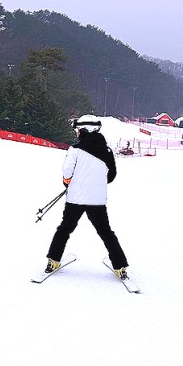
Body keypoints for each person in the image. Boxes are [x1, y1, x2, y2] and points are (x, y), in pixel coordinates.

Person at [44, 114, 131, 279]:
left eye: (78, 130)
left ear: (84, 130)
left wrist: (68, 183)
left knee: (64, 229)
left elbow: (66, 173)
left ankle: (53, 260)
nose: (77, 132)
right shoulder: (107, 151)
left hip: (75, 199)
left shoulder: (75, 150)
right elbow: (110, 177)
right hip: (97, 201)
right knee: (106, 232)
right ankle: (120, 267)